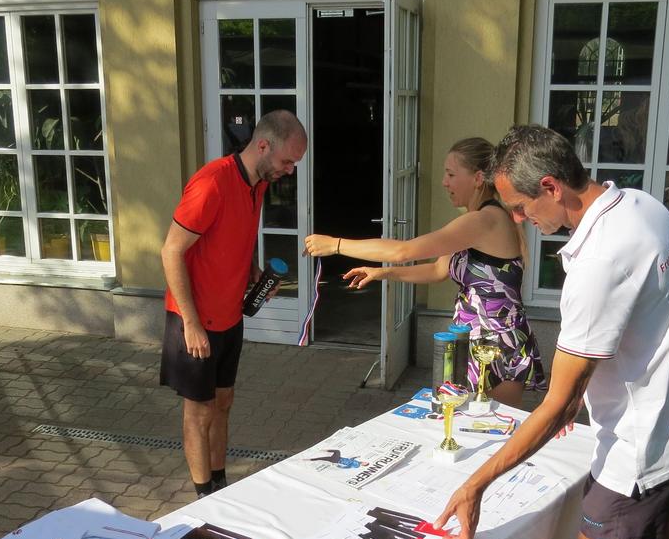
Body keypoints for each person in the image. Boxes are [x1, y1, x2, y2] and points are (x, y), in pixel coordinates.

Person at [434, 125, 669, 539]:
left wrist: (476, 484)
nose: (518, 220)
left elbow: (559, 401)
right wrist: (576, 397)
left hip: (641, 444)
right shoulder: (640, 205)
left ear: (551, 186)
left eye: (520, 207)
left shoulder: (599, 262)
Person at [304, 137, 545, 407]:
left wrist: (336, 245)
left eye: (451, 174)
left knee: (491, 427)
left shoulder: (483, 220)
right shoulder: (474, 221)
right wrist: (383, 273)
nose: (444, 182)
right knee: (469, 424)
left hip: (497, 346)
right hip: (474, 340)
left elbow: (403, 251)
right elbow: (438, 270)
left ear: (478, 178)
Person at [160, 110, 308, 499]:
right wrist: (191, 323)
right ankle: (203, 498)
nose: (290, 170)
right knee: (200, 411)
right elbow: (171, 251)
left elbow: (232, 236)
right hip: (195, 320)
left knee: (223, 402)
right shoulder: (212, 183)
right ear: (264, 145)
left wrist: (253, 271)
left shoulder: (257, 184)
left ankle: (220, 484)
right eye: (287, 161)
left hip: (228, 316)